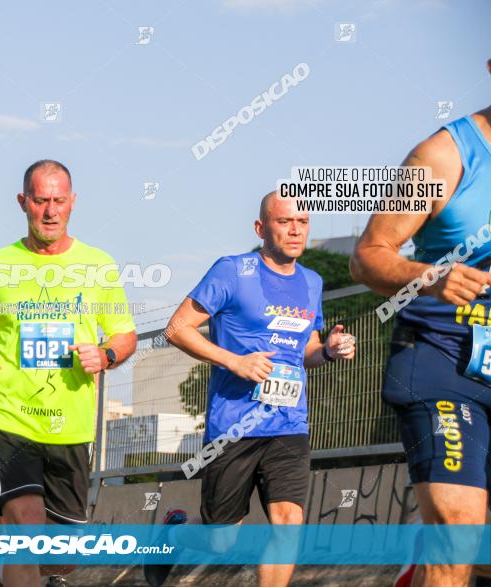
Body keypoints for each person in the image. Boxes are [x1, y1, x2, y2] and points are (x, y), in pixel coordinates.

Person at [145, 192, 356, 587]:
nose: (295, 230)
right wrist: (234, 361)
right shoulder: (232, 272)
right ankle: (172, 534)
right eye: (284, 221)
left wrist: (327, 350)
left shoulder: (312, 282)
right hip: (234, 424)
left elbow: (305, 350)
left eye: (303, 222)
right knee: (221, 539)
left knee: (288, 523)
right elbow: (177, 329)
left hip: (288, 422)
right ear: (261, 228)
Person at [0, 159, 137, 587]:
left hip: (71, 423)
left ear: (72, 203)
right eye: (40, 200)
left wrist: (105, 356)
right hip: (9, 415)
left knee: (59, 560)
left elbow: (124, 335)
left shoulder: (98, 265)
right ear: (22, 202)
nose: (50, 211)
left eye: (59, 201)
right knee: (28, 527)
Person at [351, 59, 491, 587]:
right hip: (442, 358)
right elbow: (368, 256)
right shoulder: (442, 157)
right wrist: (430, 276)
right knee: (457, 528)